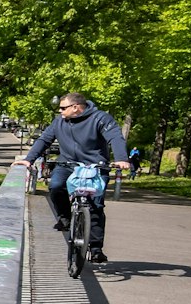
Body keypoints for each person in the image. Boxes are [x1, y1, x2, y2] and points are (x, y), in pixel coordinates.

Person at [12, 92, 130, 263]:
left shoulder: (100, 118)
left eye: (63, 108)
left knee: (96, 205)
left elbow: (115, 136)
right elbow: (44, 140)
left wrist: (121, 158)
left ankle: (96, 249)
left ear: (75, 108)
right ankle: (65, 217)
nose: (60, 111)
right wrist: (28, 160)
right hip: (67, 164)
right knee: (55, 186)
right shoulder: (59, 122)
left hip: (94, 166)